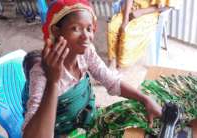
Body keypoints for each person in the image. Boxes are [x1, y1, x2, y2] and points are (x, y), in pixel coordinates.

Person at [22, 0, 162, 137]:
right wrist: (53, 82)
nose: (86, 37)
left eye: (89, 29)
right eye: (75, 28)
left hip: (87, 122)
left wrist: (145, 99)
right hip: (63, 133)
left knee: (136, 115)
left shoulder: (86, 53)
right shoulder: (41, 73)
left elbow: (112, 81)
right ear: (56, 31)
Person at [107, 0, 180, 68]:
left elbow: (168, 6)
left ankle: (121, 63)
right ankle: (113, 59)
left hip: (150, 12)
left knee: (128, 31)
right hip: (133, 7)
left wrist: (141, 12)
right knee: (112, 26)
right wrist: (125, 19)